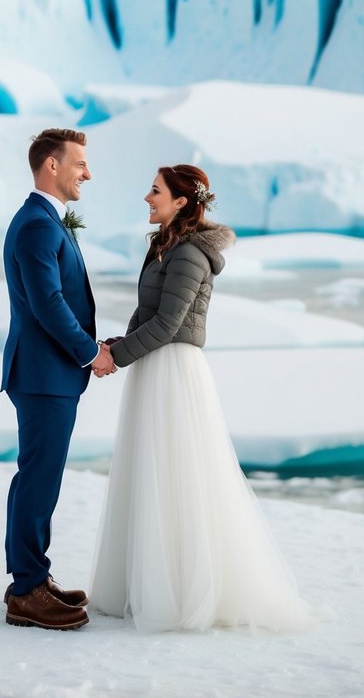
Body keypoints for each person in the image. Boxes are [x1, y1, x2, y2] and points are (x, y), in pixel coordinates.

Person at [90, 163, 318, 635]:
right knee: (151, 474)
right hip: (154, 366)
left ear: (180, 202)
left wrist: (119, 357)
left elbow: (171, 324)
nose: (147, 198)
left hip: (174, 371)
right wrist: (115, 344)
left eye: (155, 191)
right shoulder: (165, 245)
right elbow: (148, 312)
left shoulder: (190, 253)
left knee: (178, 477)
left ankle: (178, 592)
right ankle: (144, 585)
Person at [1, 127, 116, 631]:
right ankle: (26, 591)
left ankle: (32, 576)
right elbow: (48, 303)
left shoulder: (45, 220)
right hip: (45, 374)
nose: (86, 173)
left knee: (37, 477)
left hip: (48, 374)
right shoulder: (36, 225)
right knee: (38, 479)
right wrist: (90, 352)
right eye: (79, 164)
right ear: (52, 165)